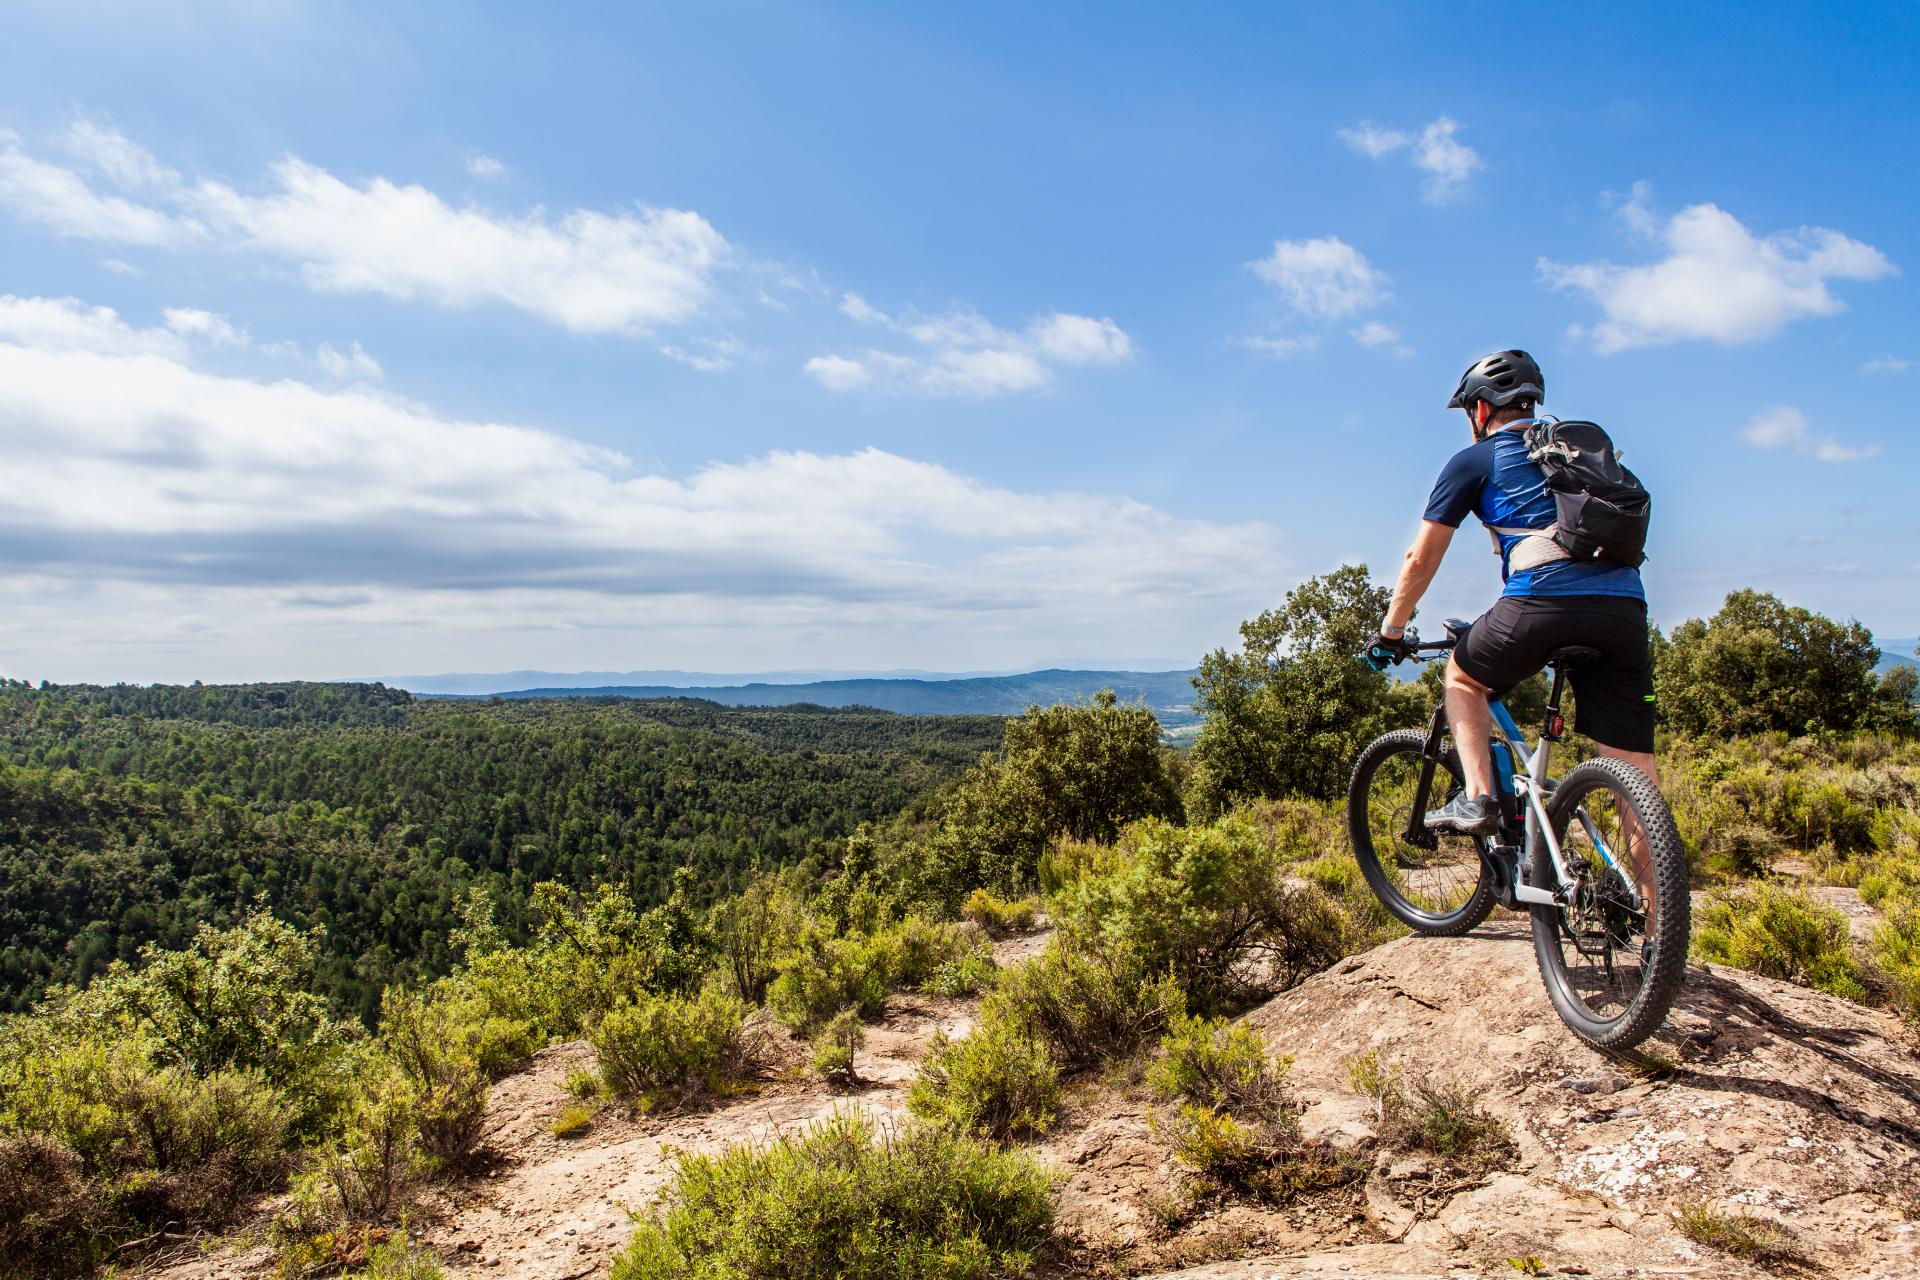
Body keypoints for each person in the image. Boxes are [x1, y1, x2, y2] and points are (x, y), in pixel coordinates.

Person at [1366, 349, 1658, 837]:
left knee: (1462, 678)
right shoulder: (1577, 457)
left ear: (1480, 410)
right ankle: (1658, 912)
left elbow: (1420, 558)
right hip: (1625, 607)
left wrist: (1391, 631)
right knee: (1637, 776)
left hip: (1541, 603)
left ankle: (1478, 799)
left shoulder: (1477, 459)